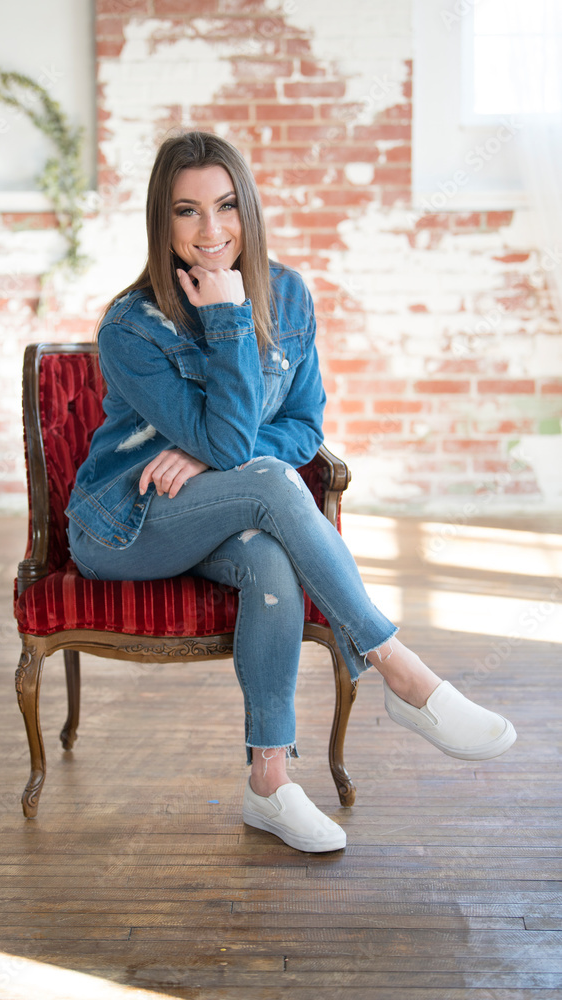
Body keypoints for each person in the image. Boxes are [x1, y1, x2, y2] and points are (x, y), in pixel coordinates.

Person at [65, 130, 516, 854]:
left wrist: (208, 454)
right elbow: (237, 450)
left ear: (247, 208)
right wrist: (225, 318)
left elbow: (302, 427)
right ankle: (403, 675)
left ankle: (268, 785)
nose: (210, 231)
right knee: (267, 481)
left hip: (214, 512)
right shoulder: (132, 326)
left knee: (270, 560)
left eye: (224, 206)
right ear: (162, 220)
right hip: (124, 523)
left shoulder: (291, 294)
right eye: (186, 212)